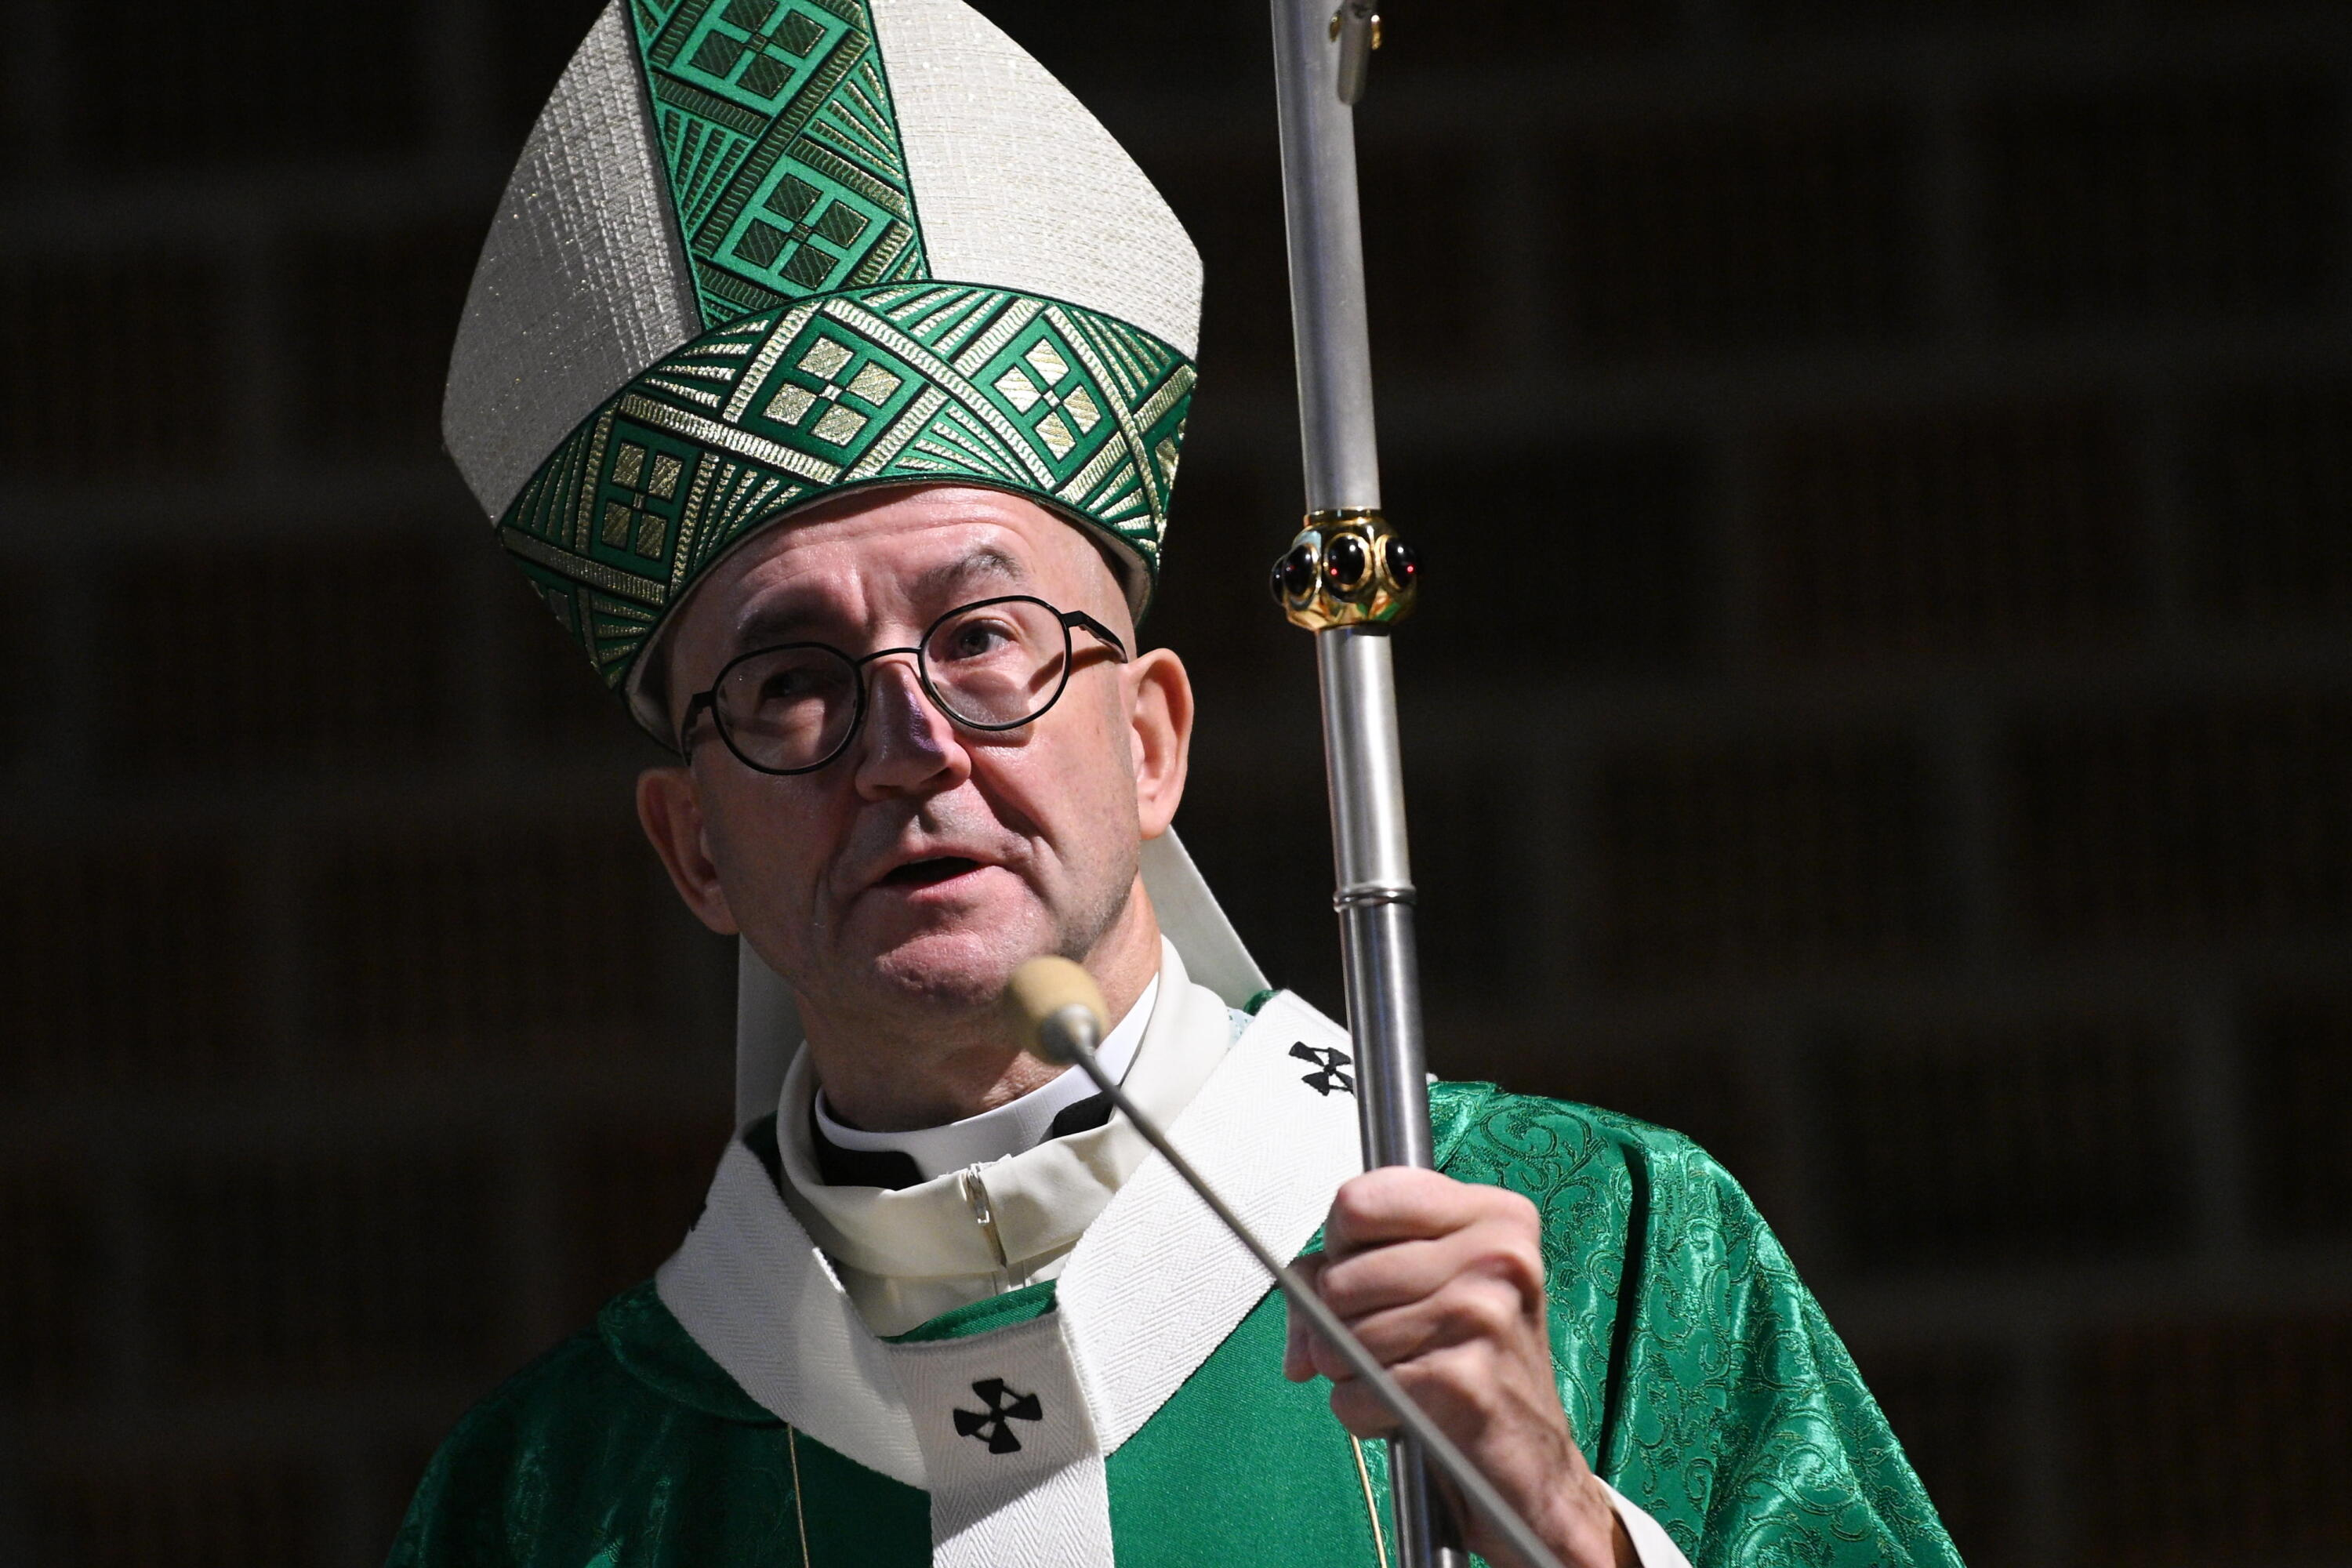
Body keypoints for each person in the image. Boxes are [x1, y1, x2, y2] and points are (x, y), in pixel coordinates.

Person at [396, 2, 1963, 1566]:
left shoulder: (1616, 1253)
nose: (908, 743)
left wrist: (1567, 1529)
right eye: (793, 681)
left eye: (984, 637)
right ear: (694, 850)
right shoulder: (564, 1497)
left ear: (1152, 739)